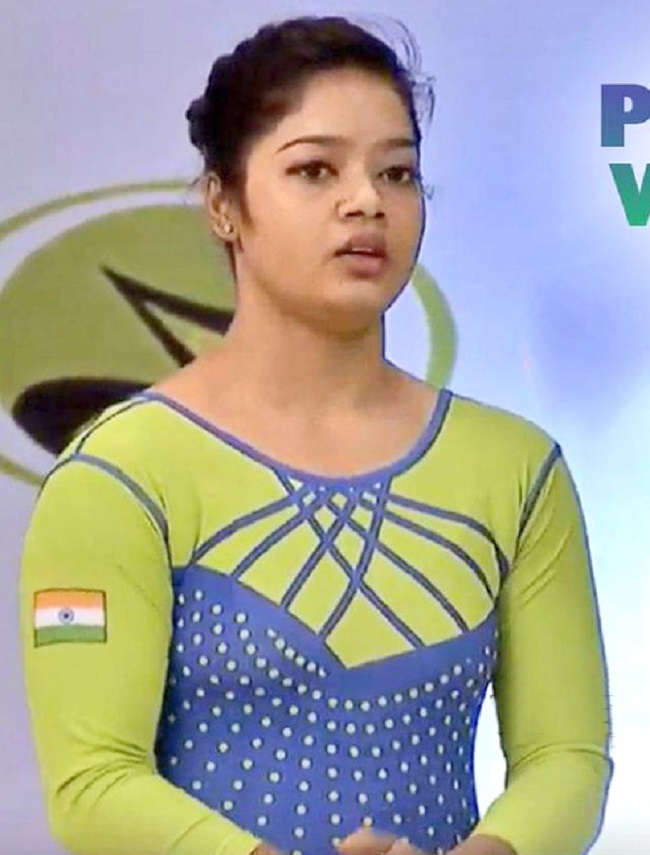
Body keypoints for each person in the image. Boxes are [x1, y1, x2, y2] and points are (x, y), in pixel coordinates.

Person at [19, 15, 612, 855]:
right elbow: (94, 785)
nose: (366, 200)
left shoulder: (518, 469)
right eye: (314, 169)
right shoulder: (118, 474)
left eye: (397, 172)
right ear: (223, 204)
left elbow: (568, 757)